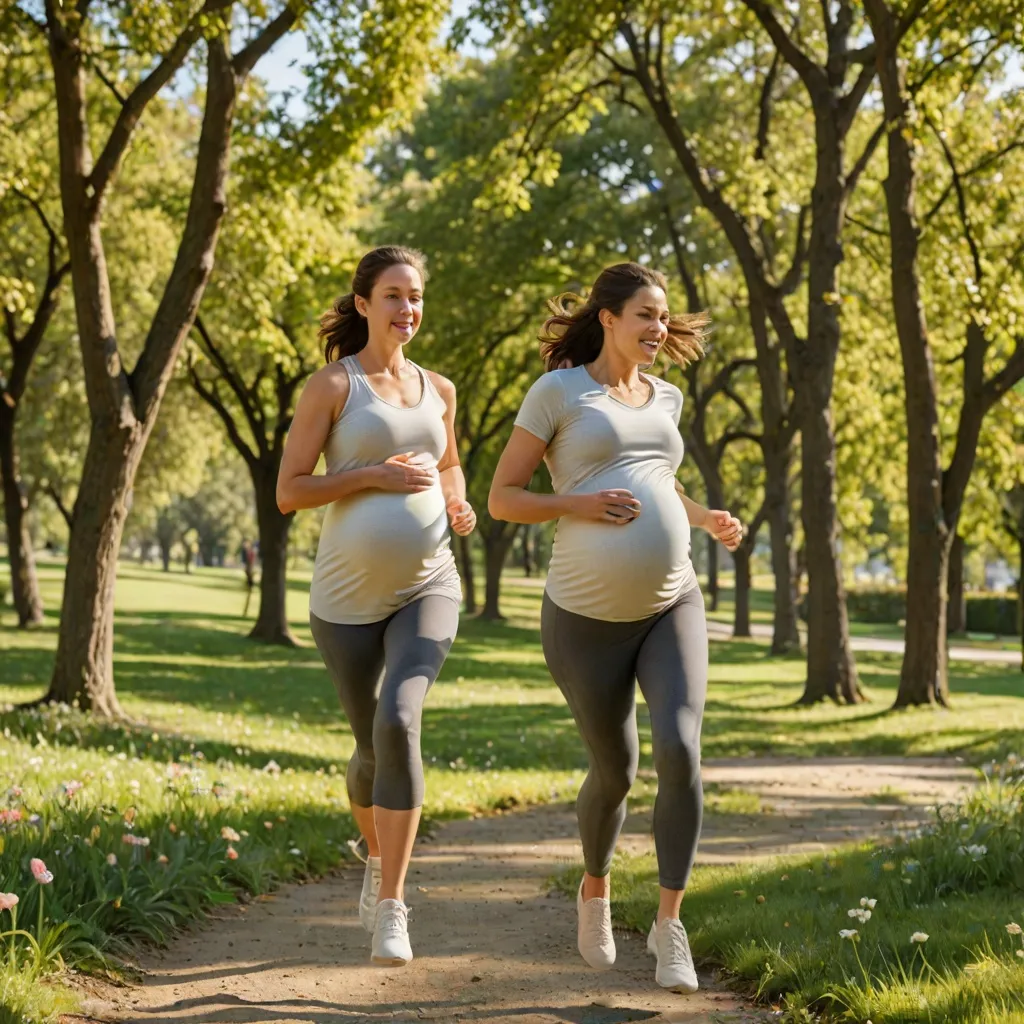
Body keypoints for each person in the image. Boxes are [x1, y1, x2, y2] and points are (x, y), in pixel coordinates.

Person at [488, 263, 742, 993]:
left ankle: (669, 925)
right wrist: (579, 503)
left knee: (681, 750)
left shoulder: (667, 397)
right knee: (617, 770)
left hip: (672, 602)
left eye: (663, 316)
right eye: (645, 315)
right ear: (608, 318)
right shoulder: (559, 393)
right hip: (584, 617)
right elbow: (503, 497)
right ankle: (595, 887)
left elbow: (658, 481)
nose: (658, 328)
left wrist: (703, 518)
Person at [277, 245, 476, 966]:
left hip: (429, 584)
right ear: (363, 304)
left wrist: (457, 503)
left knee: (399, 718)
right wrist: (368, 476)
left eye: (415, 295)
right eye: (393, 295)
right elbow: (290, 490)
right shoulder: (334, 385)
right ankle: (376, 854)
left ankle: (393, 904)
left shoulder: (439, 389)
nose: (407, 308)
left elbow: (449, 465)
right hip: (345, 601)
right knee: (369, 748)